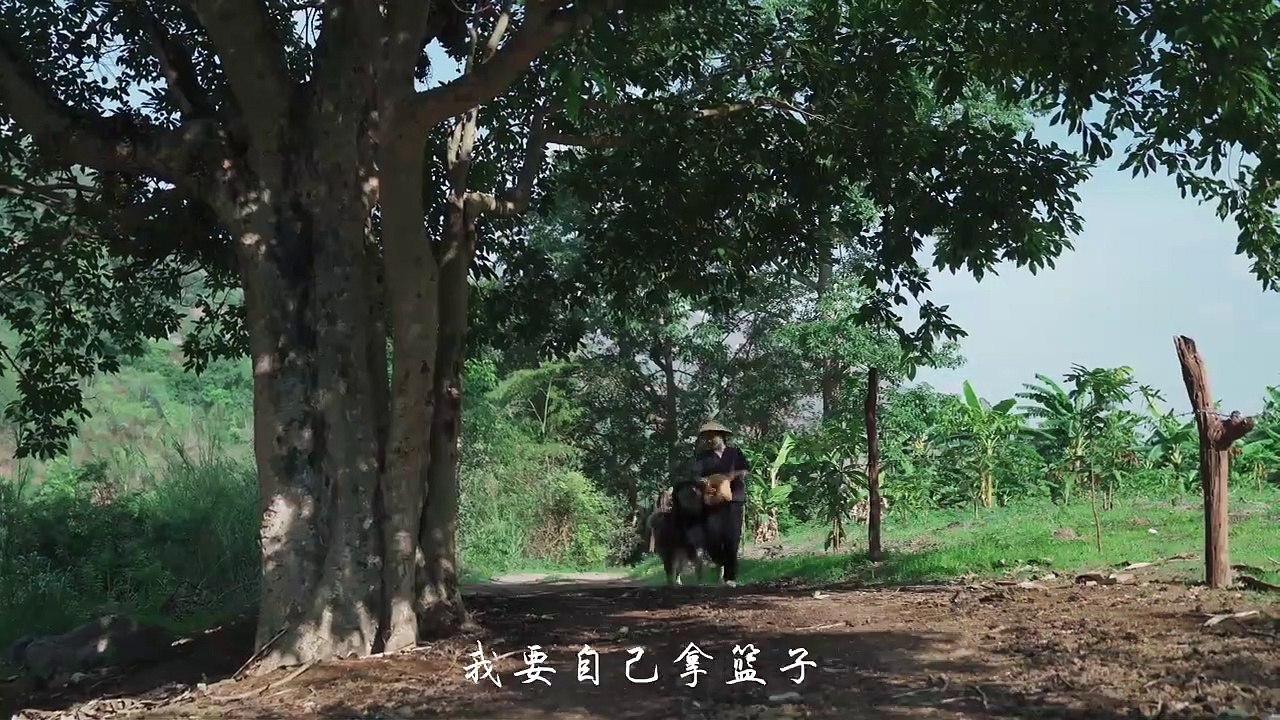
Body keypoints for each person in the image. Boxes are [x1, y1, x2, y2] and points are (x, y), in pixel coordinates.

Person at [686, 420, 749, 586]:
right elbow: (694, 476)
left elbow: (744, 470)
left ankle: (730, 577)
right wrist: (708, 481)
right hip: (712, 502)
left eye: (711, 436)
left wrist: (728, 478)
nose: (707, 440)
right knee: (712, 538)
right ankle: (719, 560)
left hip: (734, 499)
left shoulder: (735, 453)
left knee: (732, 538)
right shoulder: (702, 458)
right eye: (705, 437)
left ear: (720, 436)